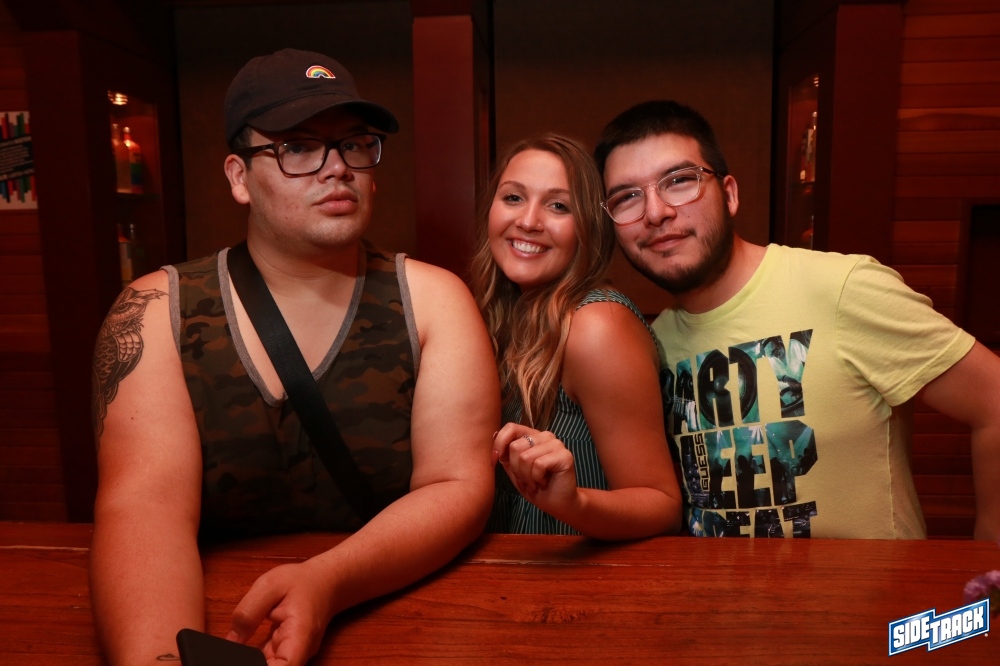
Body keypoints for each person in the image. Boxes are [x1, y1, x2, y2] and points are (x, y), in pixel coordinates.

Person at [89, 49, 500, 665]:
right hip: (224, 615)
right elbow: (146, 508)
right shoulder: (157, 310)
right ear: (238, 177)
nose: (337, 168)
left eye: (354, 145)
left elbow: (456, 485)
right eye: (299, 148)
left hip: (401, 608)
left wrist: (328, 580)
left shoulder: (434, 301)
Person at [593, 100, 1000, 540]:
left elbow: (993, 401)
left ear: (729, 194)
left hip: (865, 586)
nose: (656, 212)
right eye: (627, 197)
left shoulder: (841, 287)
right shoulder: (647, 345)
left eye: (679, 181)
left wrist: (988, 563)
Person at [470, 133, 682, 538]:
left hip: (581, 573)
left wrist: (573, 503)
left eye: (558, 206)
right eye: (513, 197)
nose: (528, 221)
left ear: (588, 227)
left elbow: (662, 505)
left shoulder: (596, 325)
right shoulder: (496, 317)